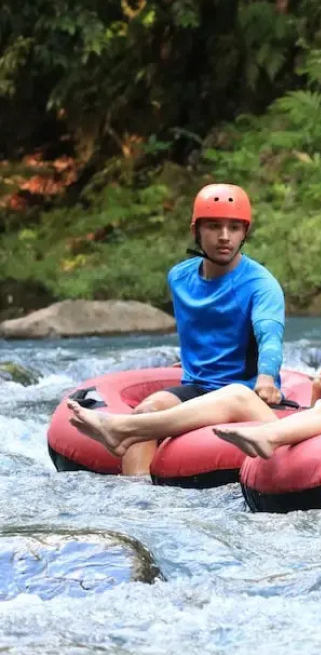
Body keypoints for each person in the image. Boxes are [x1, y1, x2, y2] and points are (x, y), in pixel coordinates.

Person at [66, 287, 321, 465]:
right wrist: (320, 389)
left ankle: (126, 431)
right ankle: (130, 431)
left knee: (236, 397)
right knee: (237, 393)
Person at [82, 182, 285, 475]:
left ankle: (121, 431)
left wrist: (266, 377)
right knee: (147, 411)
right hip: (197, 386)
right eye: (214, 226)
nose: (224, 237)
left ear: (245, 233)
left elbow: (270, 336)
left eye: (234, 227)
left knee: (150, 420)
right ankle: (136, 504)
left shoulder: (261, 285)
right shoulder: (179, 278)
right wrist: (190, 358)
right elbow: (202, 326)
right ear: (196, 231)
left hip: (244, 392)